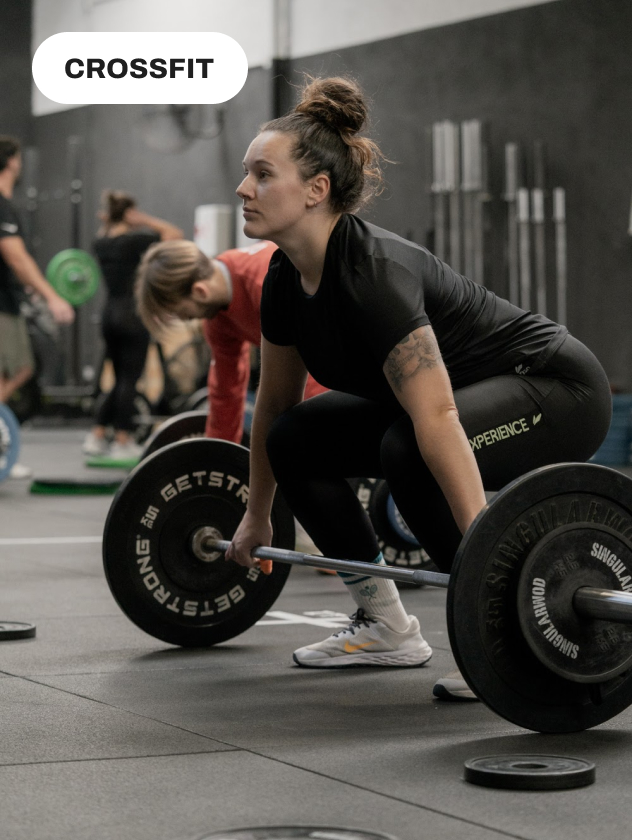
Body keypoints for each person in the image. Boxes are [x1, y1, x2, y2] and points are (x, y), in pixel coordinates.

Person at [225, 76, 612, 700]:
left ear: (316, 190)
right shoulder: (282, 279)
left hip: (553, 388)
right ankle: (385, 625)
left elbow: (436, 419)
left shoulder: (374, 277)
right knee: (296, 438)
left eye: (262, 174)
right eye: (246, 172)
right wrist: (256, 514)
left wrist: (486, 557)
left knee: (407, 449)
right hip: (457, 405)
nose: (243, 188)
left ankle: (506, 632)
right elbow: (274, 405)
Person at [135, 238, 328, 445]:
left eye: (185, 314)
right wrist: (218, 458)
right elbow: (226, 392)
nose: (185, 319)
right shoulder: (218, 318)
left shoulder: (265, 281)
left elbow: (317, 362)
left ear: (201, 291)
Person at [82, 191, 183, 462]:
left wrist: (116, 219)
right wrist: (142, 220)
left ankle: (98, 433)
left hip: (109, 316)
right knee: (129, 380)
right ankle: (123, 440)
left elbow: (109, 230)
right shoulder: (135, 239)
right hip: (132, 316)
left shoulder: (101, 242)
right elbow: (175, 234)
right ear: (129, 214)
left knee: (118, 380)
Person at [0, 136, 75, 478]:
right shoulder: (2, 205)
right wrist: (51, 296)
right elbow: (15, 257)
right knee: (21, 369)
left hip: (9, 300)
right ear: (12, 161)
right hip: (2, 306)